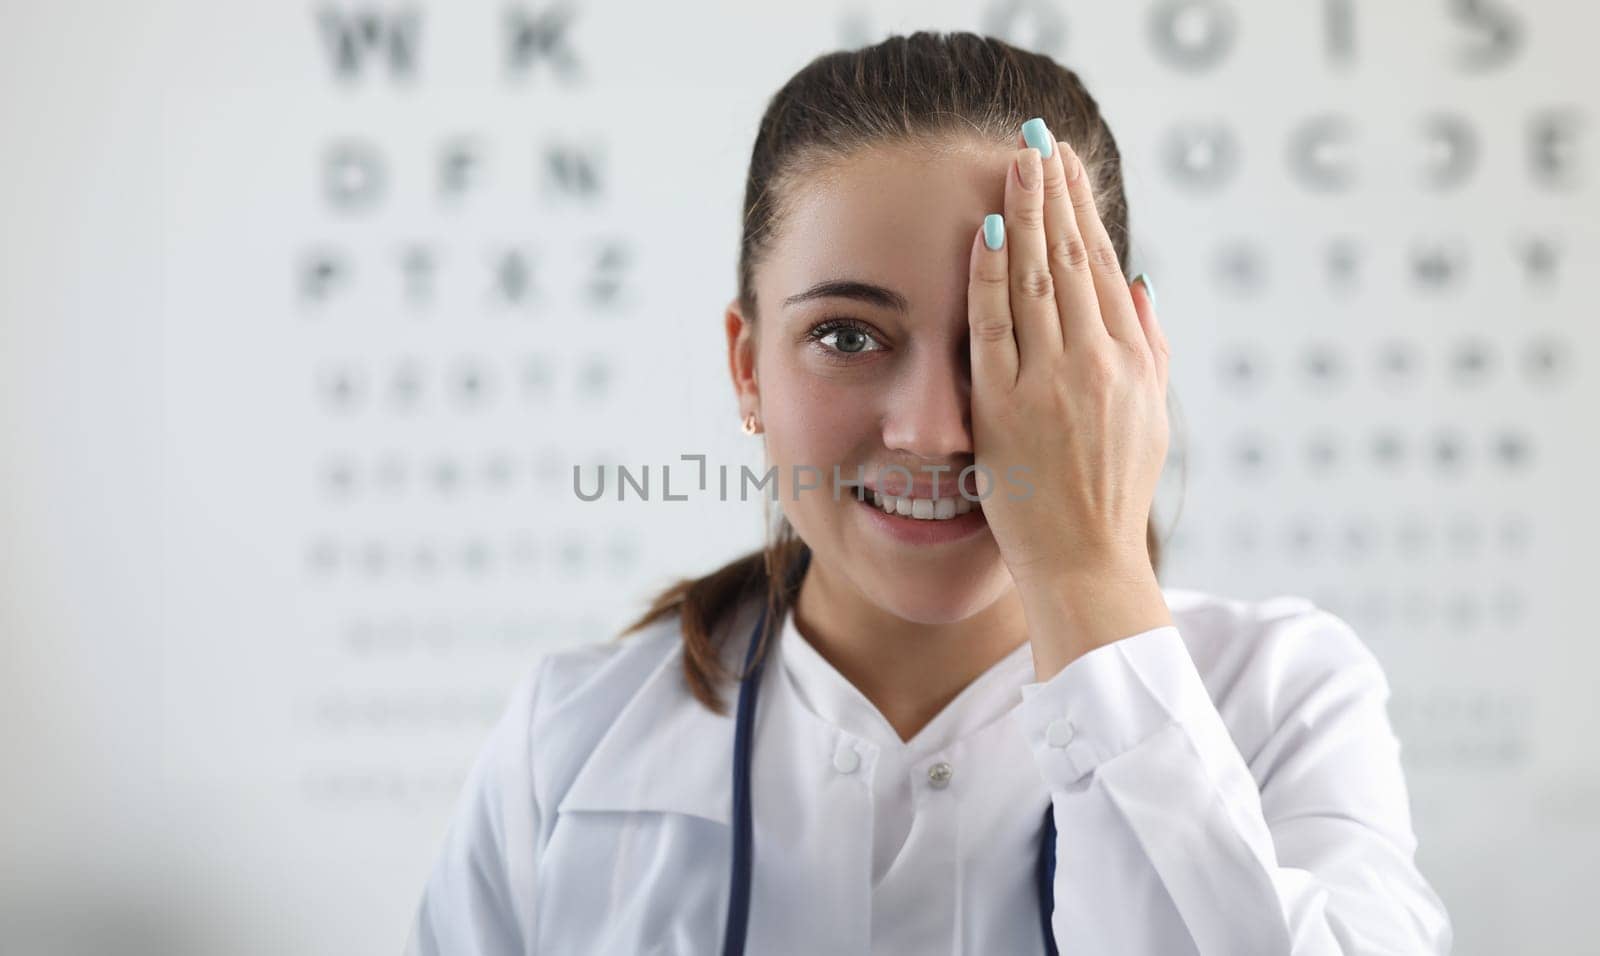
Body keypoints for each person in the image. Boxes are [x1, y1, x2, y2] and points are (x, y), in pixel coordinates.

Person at [403, 31, 1453, 955]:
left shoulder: (1282, 696)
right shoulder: (571, 738)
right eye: (847, 336)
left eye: (1010, 339)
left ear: (1119, 364)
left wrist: (1087, 578)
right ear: (745, 368)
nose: (935, 431)